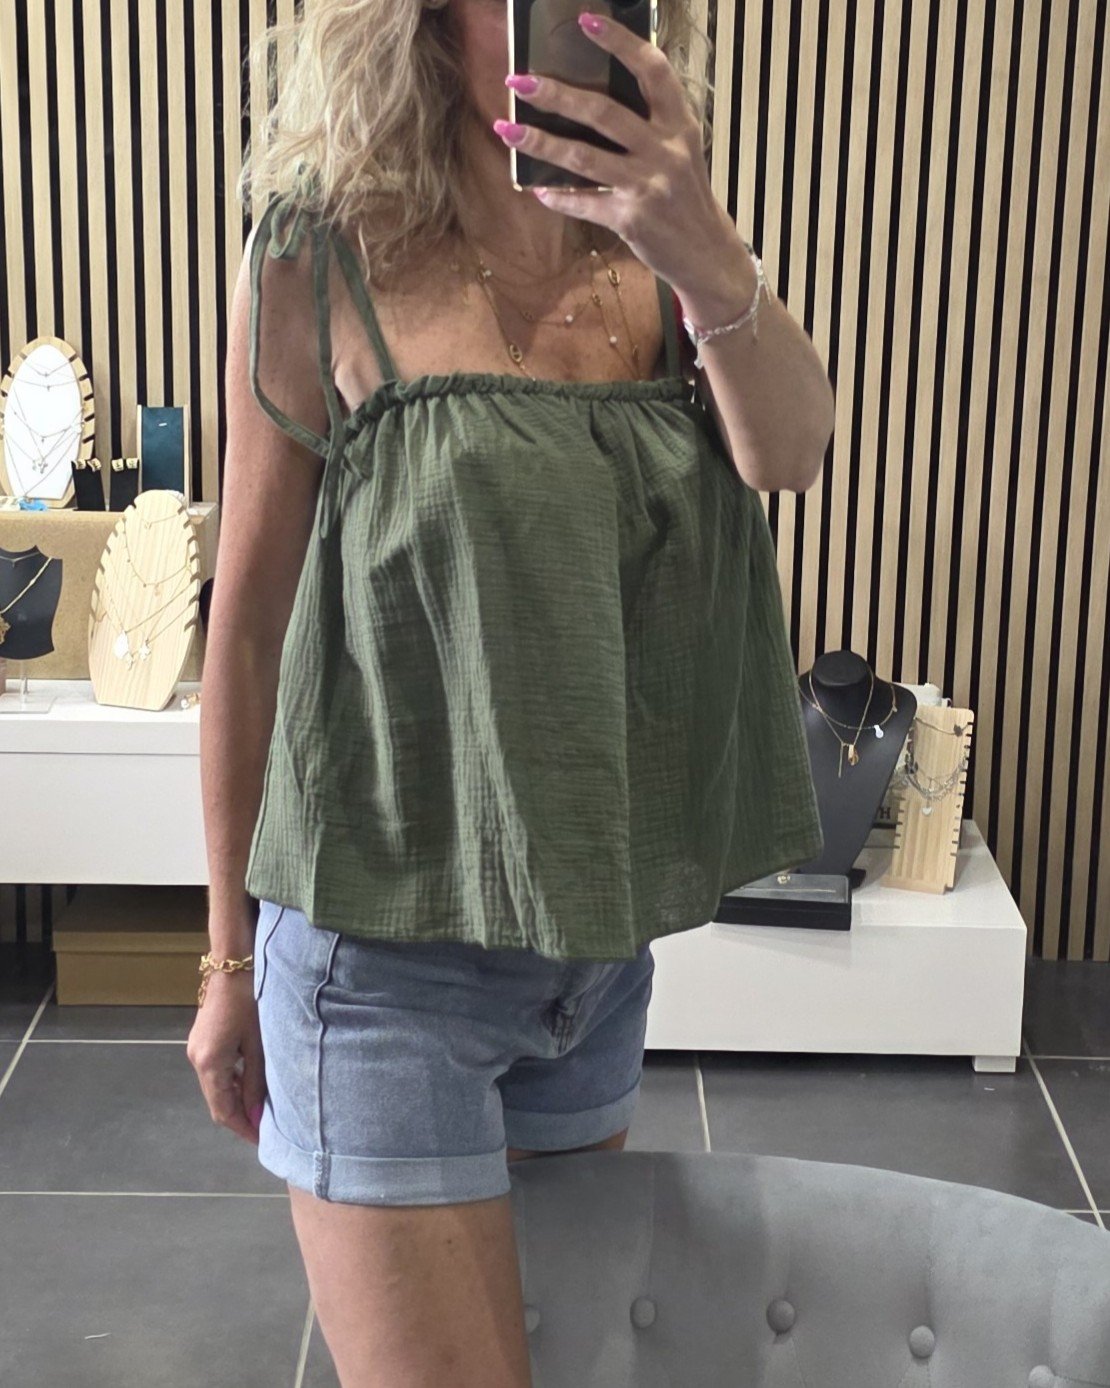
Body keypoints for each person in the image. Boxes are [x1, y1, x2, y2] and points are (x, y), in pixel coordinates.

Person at [187, 1, 833, 1384]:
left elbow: (787, 454)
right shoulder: (323, 243)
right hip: (378, 962)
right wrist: (227, 960)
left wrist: (702, 247)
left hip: (589, 957)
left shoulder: (658, 243)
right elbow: (244, 627)